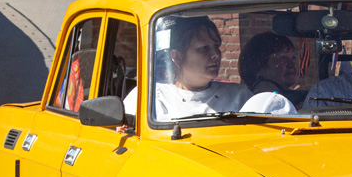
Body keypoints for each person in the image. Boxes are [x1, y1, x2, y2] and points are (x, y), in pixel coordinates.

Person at [123, 17, 292, 119]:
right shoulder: (149, 100)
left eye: (216, 46)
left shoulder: (240, 97)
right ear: (177, 57)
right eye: (203, 48)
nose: (215, 55)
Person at [239, 31, 305, 105]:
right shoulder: (263, 101)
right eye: (283, 58)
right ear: (259, 65)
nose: (291, 64)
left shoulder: (294, 98)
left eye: (293, 58)